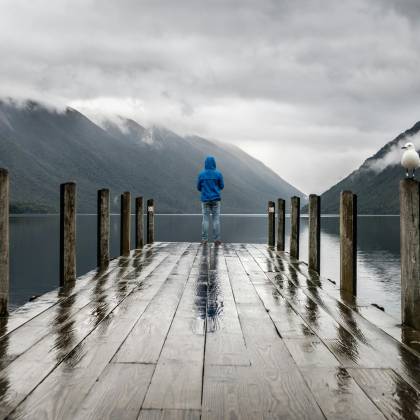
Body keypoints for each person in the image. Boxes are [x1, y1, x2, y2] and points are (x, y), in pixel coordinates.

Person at [197, 156, 224, 245]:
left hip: (205, 200)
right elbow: (222, 186)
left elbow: (198, 187)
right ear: (214, 163)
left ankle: (204, 239)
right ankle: (217, 239)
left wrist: (205, 190)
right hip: (216, 199)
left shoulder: (201, 174)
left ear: (205, 163)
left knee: (205, 219)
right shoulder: (218, 174)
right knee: (216, 219)